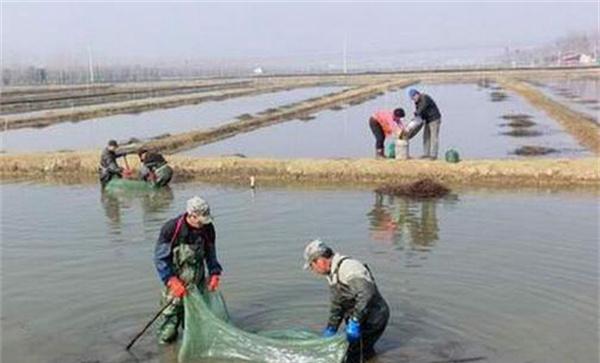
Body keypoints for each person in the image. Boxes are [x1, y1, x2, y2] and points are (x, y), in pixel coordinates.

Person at [303, 239, 390, 363]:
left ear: (320, 260)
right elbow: (337, 304)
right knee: (360, 352)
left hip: (373, 318)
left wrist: (355, 321)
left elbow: (366, 293)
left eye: (312, 266)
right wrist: (331, 328)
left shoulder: (348, 267)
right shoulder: (332, 274)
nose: (313, 271)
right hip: (361, 318)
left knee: (351, 356)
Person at [154, 196, 223, 344]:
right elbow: (160, 258)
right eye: (200, 220)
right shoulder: (172, 229)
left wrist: (214, 272)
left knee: (193, 325)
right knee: (169, 328)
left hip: (197, 282)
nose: (203, 223)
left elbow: (211, 253)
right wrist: (171, 280)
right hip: (176, 281)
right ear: (191, 215)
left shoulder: (208, 228)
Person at [408, 88, 442, 159]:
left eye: (413, 97)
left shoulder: (424, 98)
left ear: (417, 94)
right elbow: (419, 112)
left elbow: (421, 109)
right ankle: (426, 154)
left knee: (433, 137)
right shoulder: (417, 102)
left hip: (434, 119)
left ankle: (433, 155)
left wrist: (416, 114)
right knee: (426, 136)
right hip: (427, 120)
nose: (413, 99)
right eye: (412, 98)